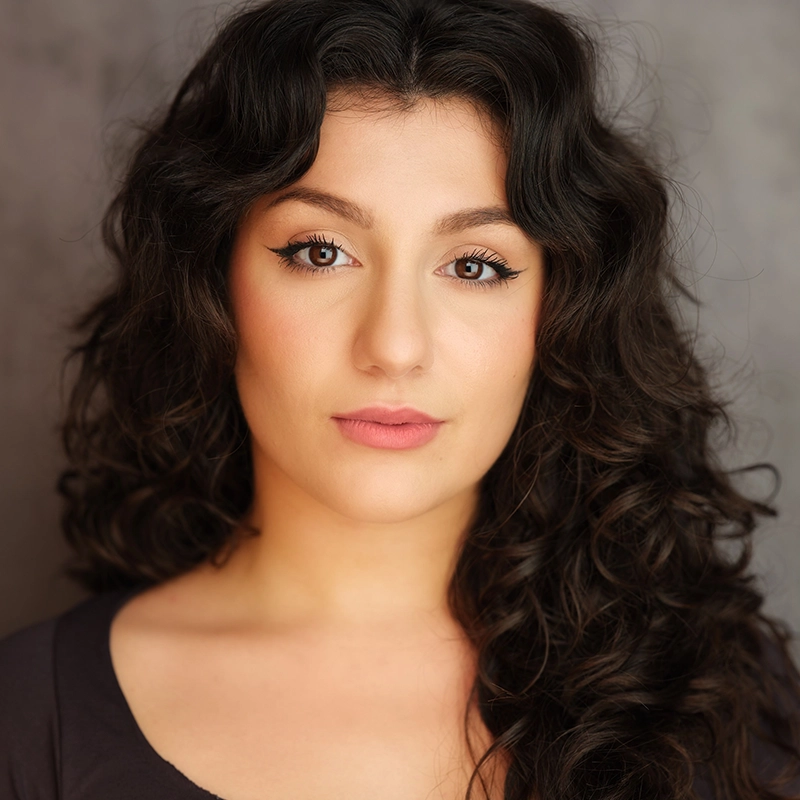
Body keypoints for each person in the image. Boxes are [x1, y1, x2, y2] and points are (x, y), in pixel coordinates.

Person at [1, 0, 799, 797]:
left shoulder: (718, 697)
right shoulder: (33, 717)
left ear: (561, 313)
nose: (394, 345)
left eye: (474, 266)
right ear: (214, 282)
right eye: (321, 252)